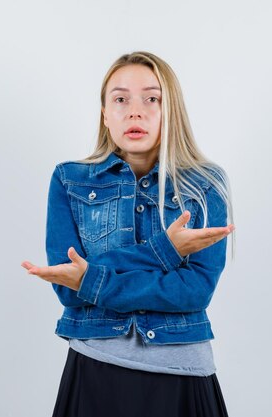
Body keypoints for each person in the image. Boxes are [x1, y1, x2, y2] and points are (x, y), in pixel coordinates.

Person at [21, 51, 236, 417]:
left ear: (171, 112)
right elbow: (66, 287)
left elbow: (196, 290)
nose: (135, 111)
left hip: (182, 372)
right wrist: (165, 251)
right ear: (105, 114)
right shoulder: (68, 180)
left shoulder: (206, 186)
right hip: (95, 367)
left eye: (152, 99)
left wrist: (92, 280)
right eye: (120, 99)